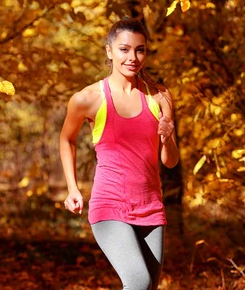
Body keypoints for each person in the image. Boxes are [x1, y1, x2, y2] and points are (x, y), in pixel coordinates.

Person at [59, 17, 180, 290]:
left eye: (140, 50)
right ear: (109, 52)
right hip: (110, 204)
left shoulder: (160, 96)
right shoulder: (88, 98)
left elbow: (169, 161)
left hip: (151, 206)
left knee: (148, 287)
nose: (133, 57)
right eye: (124, 49)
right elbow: (66, 139)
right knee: (138, 281)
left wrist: (168, 136)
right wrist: (72, 188)